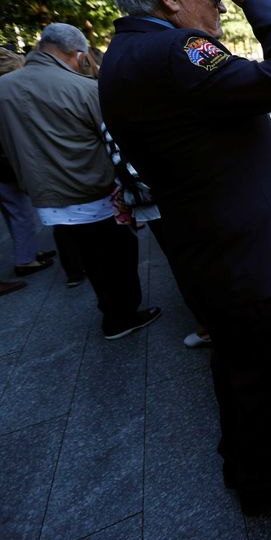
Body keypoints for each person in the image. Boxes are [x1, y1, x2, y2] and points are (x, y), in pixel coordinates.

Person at [99, 0, 271, 510]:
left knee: (241, 369)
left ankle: (252, 462)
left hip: (212, 245)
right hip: (237, 258)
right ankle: (263, 483)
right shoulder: (176, 51)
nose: (221, 11)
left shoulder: (128, 50)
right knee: (258, 372)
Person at [0, 23, 161, 339]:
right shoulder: (83, 88)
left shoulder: (4, 87)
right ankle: (121, 317)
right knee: (118, 255)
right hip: (93, 191)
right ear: (77, 54)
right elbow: (115, 140)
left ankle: (112, 312)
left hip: (45, 195)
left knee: (90, 255)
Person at [0, 49, 56, 278]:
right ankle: (26, 260)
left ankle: (29, 252)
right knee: (20, 213)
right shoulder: (6, 94)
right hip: (4, 167)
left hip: (4, 166)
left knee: (15, 212)